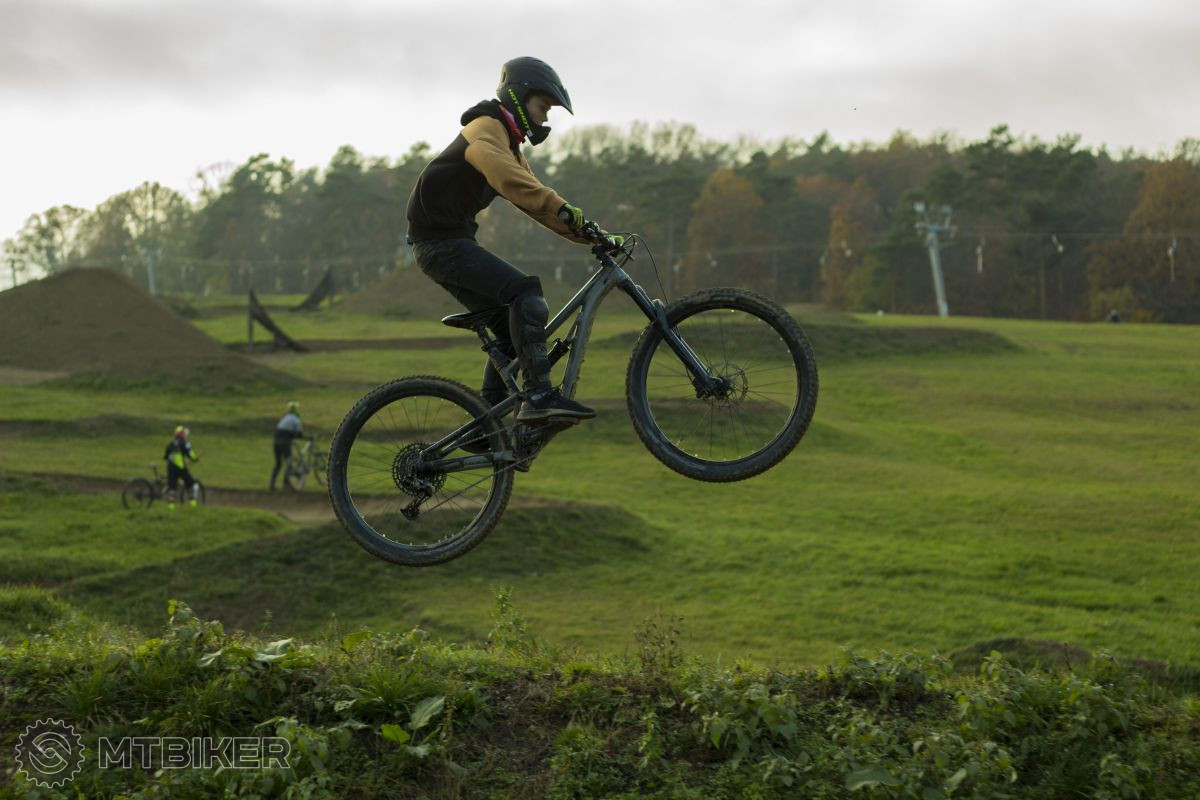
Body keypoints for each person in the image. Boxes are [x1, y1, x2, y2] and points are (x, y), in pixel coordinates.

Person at [405, 56, 620, 422]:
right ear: (520, 99)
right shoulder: (484, 129)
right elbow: (512, 182)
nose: (546, 118)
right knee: (526, 293)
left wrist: (588, 234)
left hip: (446, 245)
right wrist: (563, 208)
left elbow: (534, 201)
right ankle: (539, 396)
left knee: (509, 328)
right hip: (440, 245)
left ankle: (486, 424)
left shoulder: (509, 144)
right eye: (543, 107)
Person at [269, 401, 304, 491]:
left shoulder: (284, 418)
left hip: (276, 441)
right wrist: (303, 436)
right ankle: (286, 483)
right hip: (285, 442)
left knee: (278, 463)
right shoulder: (296, 419)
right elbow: (299, 432)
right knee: (289, 461)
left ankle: (272, 484)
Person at [164, 425, 200, 509]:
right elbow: (190, 453)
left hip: (170, 468)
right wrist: (195, 459)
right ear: (182, 434)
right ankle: (193, 504)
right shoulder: (184, 442)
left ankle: (171, 507)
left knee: (172, 488)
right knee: (190, 483)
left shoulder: (171, 443)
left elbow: (166, 456)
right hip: (180, 468)